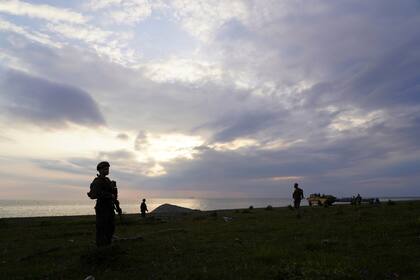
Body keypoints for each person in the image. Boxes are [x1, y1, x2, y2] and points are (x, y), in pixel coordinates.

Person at [87, 161, 121, 246]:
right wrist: (109, 195)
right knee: (102, 227)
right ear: (100, 170)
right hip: (102, 208)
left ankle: (107, 244)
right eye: (105, 168)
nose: (107, 170)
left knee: (111, 227)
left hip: (110, 207)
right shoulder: (97, 181)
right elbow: (94, 195)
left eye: (108, 168)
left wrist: (117, 205)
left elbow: (114, 195)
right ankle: (101, 246)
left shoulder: (107, 180)